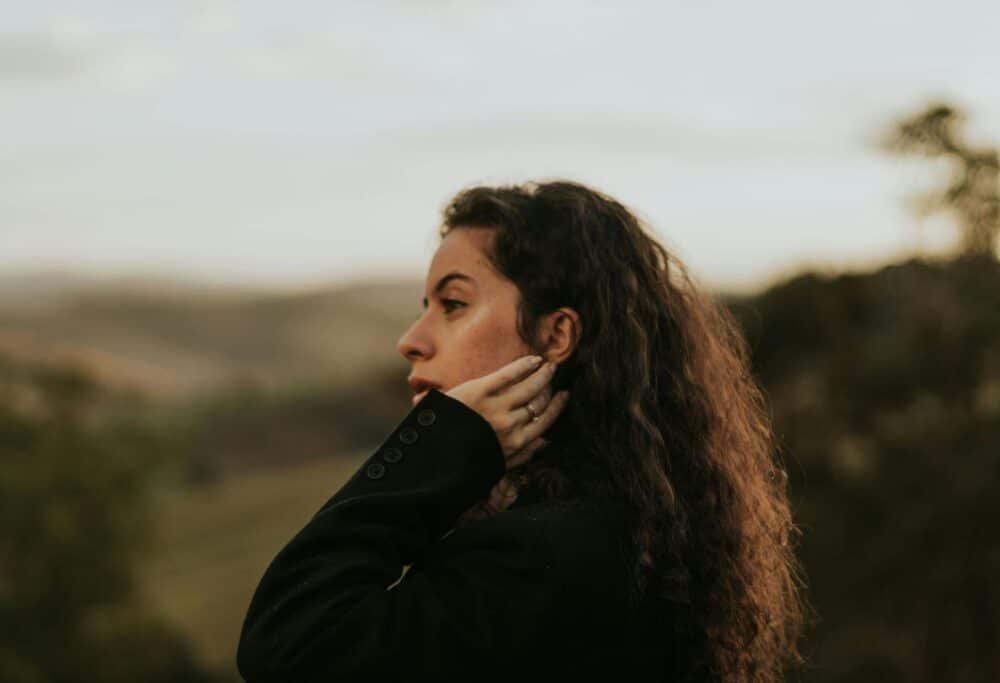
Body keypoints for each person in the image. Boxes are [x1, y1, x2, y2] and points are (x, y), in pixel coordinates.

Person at [236, 180, 807, 682]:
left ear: (556, 336)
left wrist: (444, 446)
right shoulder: (627, 521)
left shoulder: (545, 554)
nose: (411, 339)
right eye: (425, 305)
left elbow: (290, 642)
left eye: (453, 304)